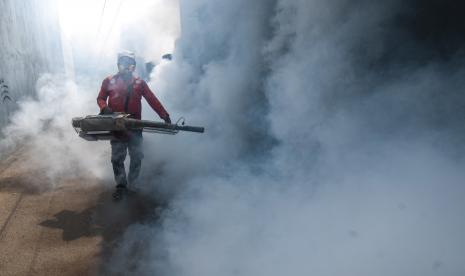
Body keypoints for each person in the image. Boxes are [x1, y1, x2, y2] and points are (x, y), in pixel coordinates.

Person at [97, 51, 171, 200]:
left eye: (129, 64)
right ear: (118, 64)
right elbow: (100, 98)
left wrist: (164, 115)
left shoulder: (139, 83)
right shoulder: (109, 80)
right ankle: (121, 186)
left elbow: (152, 99)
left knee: (136, 157)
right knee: (117, 159)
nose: (126, 67)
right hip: (117, 126)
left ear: (133, 66)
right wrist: (104, 107)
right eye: (123, 63)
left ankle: (133, 184)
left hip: (135, 127)